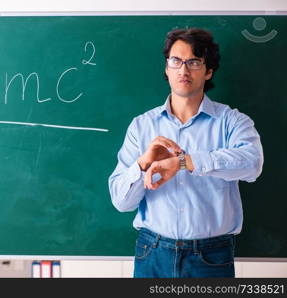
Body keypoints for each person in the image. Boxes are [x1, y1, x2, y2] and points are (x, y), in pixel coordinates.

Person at [108, 28, 264, 278]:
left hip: (211, 257)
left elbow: (252, 163)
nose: (183, 69)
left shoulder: (232, 122)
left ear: (208, 70)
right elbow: (121, 202)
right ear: (166, 68)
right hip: (152, 254)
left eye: (193, 62)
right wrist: (142, 164)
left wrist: (183, 162)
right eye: (176, 61)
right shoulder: (141, 126)